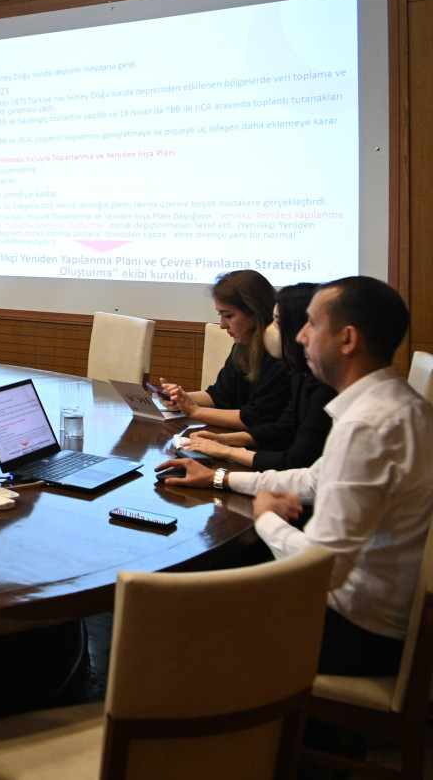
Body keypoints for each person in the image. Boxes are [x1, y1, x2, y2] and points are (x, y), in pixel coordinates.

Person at [158, 276, 433, 676]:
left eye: (313, 325)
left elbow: (324, 569)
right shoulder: (399, 404)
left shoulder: (368, 427)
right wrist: (219, 479)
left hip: (357, 631)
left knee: (179, 613)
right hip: (372, 615)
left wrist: (266, 518)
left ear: (348, 339)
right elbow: (313, 480)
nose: (300, 337)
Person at [176, 282, 335, 471]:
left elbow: (296, 461)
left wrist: (225, 453)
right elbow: (283, 428)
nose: (271, 330)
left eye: (277, 322)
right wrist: (222, 439)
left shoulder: (323, 383)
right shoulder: (301, 371)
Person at [158, 269, 289, 428]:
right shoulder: (243, 346)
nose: (222, 325)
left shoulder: (281, 355)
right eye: (220, 315)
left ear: (255, 311)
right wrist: (181, 398)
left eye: (228, 315)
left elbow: (256, 418)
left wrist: (194, 410)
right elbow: (219, 395)